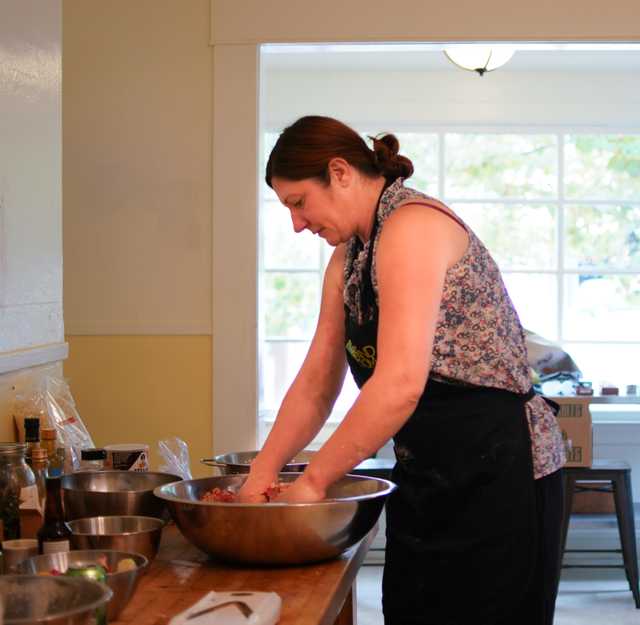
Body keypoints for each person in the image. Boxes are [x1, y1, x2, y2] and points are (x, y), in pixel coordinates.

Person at [238, 115, 566, 625]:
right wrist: (262, 473)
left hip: (501, 474)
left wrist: (313, 483)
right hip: (427, 472)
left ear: (340, 172)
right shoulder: (350, 256)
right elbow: (317, 380)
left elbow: (398, 386)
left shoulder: (413, 227)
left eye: (299, 203)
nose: (297, 224)